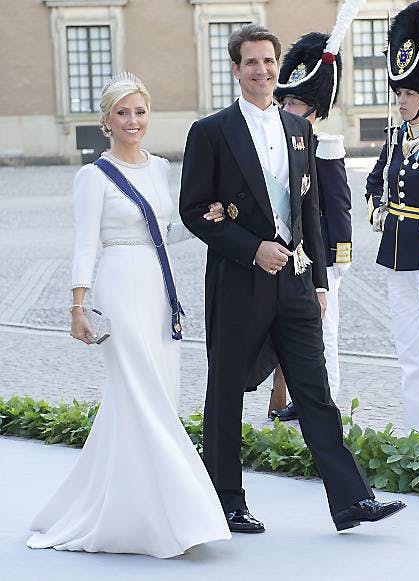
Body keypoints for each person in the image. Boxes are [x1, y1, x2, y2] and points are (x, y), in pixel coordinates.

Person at [180, 23, 405, 534]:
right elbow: (193, 210)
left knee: (315, 392)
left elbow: (311, 210)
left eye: (268, 61)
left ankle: (352, 501)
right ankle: (226, 502)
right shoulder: (211, 132)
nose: (262, 70)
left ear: (278, 67)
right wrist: (252, 248)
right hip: (239, 281)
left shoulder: (299, 130)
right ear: (235, 70)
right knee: (225, 394)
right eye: (251, 62)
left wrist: (321, 281)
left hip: (298, 283)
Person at [27, 73, 231, 557]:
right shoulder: (93, 177)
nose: (132, 121)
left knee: (152, 396)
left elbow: (166, 232)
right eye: (123, 113)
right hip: (119, 287)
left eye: (139, 112)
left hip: (159, 291)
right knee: (144, 398)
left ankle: (134, 512)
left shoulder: (160, 169)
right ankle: (183, 514)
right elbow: (85, 244)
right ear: (106, 120)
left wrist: (210, 220)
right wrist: (78, 306)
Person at [366, 0, 419, 439]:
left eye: (409, 94)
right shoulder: (397, 139)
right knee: (409, 352)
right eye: (399, 93)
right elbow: (377, 179)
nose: (401, 100)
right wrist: (377, 203)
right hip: (395, 255)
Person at [268, 29, 353, 422]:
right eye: (284, 100)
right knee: (298, 334)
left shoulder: (326, 146)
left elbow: (338, 206)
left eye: (296, 103)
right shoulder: (280, 143)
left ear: (315, 109)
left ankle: (328, 401)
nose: (286, 108)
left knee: (325, 332)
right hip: (291, 254)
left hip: (323, 257)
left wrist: (338, 259)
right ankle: (303, 400)